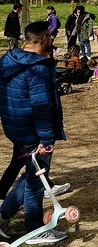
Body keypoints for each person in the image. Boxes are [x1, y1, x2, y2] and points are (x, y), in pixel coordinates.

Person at [0, 21, 68, 244]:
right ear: (43, 39)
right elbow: (41, 107)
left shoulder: (8, 60)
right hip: (34, 133)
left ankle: (2, 216)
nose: (52, 39)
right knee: (36, 181)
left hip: (16, 128)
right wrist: (46, 138)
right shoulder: (37, 68)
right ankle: (35, 230)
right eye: (50, 36)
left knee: (32, 174)